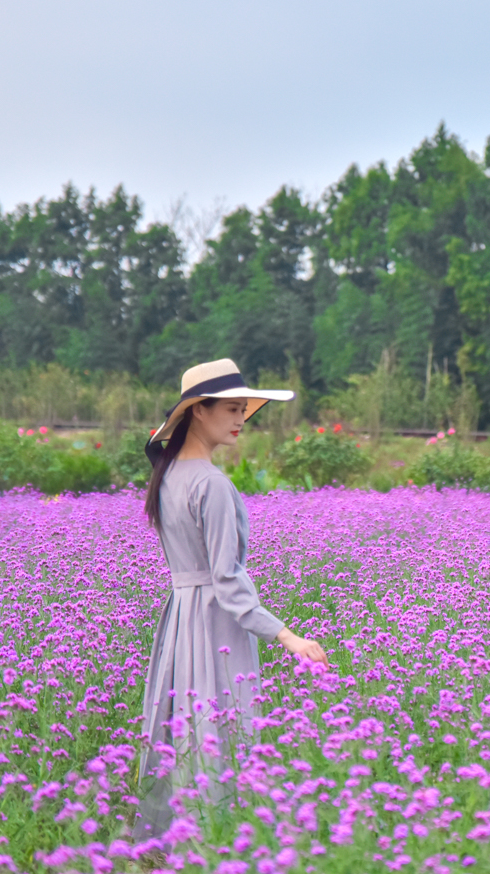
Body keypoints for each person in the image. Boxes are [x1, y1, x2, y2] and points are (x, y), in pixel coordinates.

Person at [132, 358, 328, 857]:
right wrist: (289, 637)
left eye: (245, 410)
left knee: (185, 734)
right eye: (232, 409)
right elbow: (228, 582)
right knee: (219, 732)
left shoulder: (169, 475)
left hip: (180, 621)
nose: (241, 419)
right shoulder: (212, 484)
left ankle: (173, 849)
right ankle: (213, 848)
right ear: (198, 411)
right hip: (215, 625)